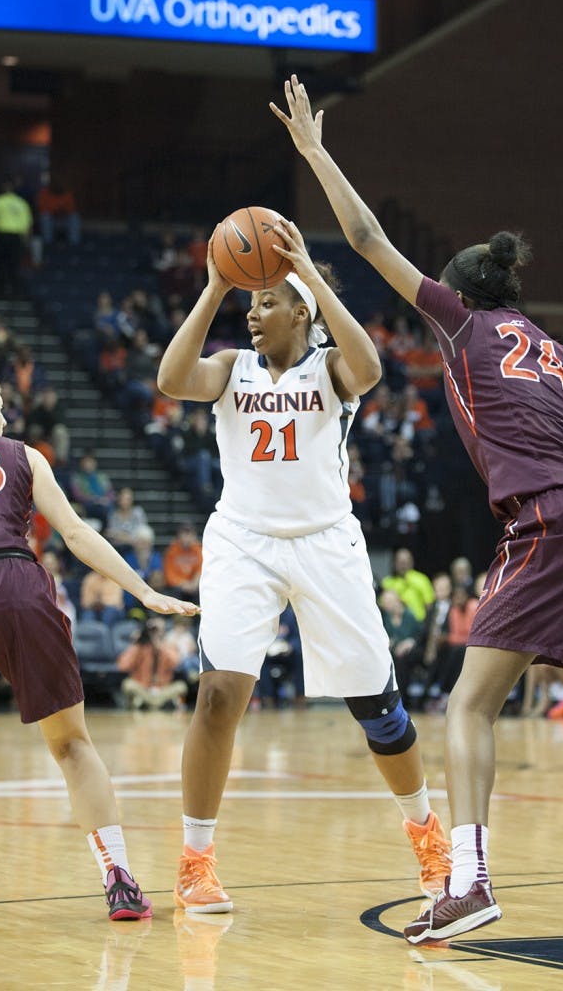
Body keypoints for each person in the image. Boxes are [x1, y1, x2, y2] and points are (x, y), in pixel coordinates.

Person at [271, 74, 563, 942]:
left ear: (455, 293)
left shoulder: (461, 323)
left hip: (549, 519)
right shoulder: (544, 341)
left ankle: (468, 881)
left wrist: (313, 151)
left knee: (465, 707)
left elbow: (368, 236)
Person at [156, 217, 451, 914]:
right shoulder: (231, 368)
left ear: (301, 312)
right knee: (218, 694)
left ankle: (425, 833)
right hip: (243, 541)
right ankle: (195, 863)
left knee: (378, 710)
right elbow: (172, 379)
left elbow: (373, 368)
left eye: (264, 303)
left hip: (325, 545)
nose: (252, 315)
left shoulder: (331, 368)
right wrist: (213, 286)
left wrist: (313, 275)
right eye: (247, 305)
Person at [0, 364, 199, 920]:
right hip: (15, 584)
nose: (4, 421)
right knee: (73, 745)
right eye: (1, 411)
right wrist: (144, 591)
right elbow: (75, 533)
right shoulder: (24, 454)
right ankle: (119, 879)